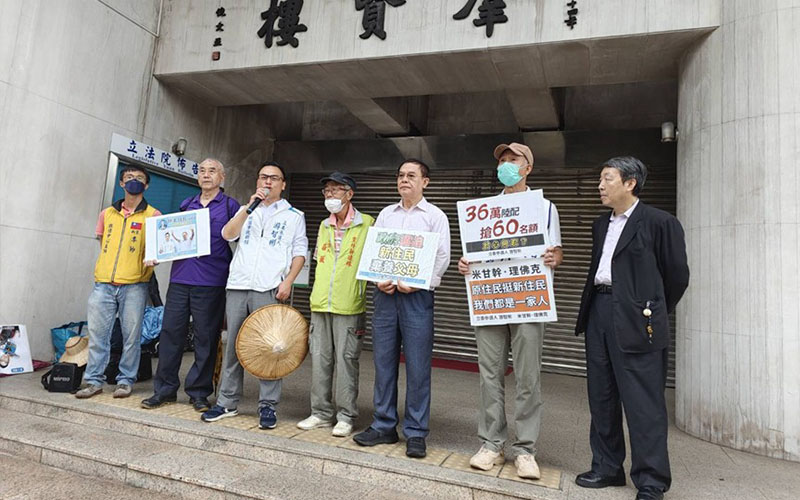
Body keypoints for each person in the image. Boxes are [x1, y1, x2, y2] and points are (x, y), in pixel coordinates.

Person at [574, 156, 689, 500]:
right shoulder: (600, 223)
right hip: (599, 310)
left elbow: (677, 276)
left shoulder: (660, 222)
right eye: (600, 179)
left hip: (639, 317)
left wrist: (651, 310)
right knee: (602, 395)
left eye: (607, 179)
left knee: (643, 401)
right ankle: (607, 467)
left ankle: (651, 480)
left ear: (630, 183)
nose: (600, 185)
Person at [456, 142, 563, 479]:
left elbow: (556, 252)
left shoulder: (545, 208)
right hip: (490, 297)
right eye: (502, 160)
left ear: (527, 167)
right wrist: (465, 264)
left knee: (528, 377)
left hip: (528, 298)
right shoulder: (484, 210)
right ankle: (491, 443)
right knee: (490, 375)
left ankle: (526, 449)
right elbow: (472, 253)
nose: (505, 164)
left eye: (512, 160)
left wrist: (553, 258)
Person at [352, 159, 450, 459]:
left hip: (416, 298)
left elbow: (442, 256)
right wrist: (378, 280)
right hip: (385, 296)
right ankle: (383, 425)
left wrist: (419, 284)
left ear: (425, 182)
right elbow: (375, 251)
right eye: (400, 176)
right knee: (383, 362)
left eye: (411, 176)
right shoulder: (386, 213)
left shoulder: (435, 216)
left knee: (418, 365)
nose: (404, 180)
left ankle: (416, 432)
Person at [201, 162, 308, 430]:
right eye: (263, 177)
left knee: (272, 348)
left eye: (274, 178)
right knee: (234, 345)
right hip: (238, 285)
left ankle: (268, 405)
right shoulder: (245, 210)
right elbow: (227, 234)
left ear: (283, 184)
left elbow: (299, 252)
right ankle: (226, 402)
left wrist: (288, 282)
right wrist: (248, 209)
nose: (267, 182)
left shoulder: (294, 215)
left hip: (270, 287)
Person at [141, 159, 241, 412]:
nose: (206, 175)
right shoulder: (187, 204)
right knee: (170, 335)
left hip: (212, 281)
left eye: (212, 171)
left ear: (222, 177)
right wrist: (157, 253)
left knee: (205, 338)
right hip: (180, 279)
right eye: (202, 171)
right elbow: (172, 240)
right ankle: (164, 390)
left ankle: (199, 392)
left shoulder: (230, 206)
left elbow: (240, 241)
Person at [296, 172, 374, 437]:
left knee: (347, 361)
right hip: (320, 303)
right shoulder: (323, 225)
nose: (330, 196)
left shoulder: (368, 225)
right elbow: (319, 261)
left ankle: (346, 416)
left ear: (349, 194)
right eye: (326, 191)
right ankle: (320, 413)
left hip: (349, 304)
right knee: (320, 360)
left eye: (335, 190)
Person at [75, 164, 161, 399]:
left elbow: (158, 251)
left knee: (131, 337)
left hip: (135, 286)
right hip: (103, 285)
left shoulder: (153, 215)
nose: (134, 181)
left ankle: (125, 380)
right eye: (129, 177)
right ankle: (93, 381)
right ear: (121, 184)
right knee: (98, 336)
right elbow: (102, 242)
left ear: (147, 185)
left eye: (139, 178)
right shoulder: (107, 214)